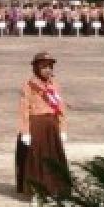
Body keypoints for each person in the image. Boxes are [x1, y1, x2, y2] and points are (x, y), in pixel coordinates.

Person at [17, 51, 70, 198]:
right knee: (36, 160)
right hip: (36, 125)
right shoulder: (29, 86)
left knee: (53, 160)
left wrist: (63, 128)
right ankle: (36, 192)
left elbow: (61, 108)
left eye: (50, 66)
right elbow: (24, 109)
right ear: (36, 68)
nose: (47, 70)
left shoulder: (55, 85)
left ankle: (54, 190)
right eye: (44, 67)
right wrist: (25, 131)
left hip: (52, 126)